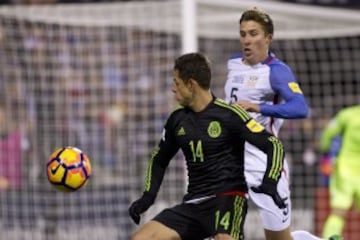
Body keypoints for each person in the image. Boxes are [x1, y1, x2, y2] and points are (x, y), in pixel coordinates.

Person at [128, 52, 287, 240]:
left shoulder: (230, 114)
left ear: (191, 85)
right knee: (141, 238)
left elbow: (273, 145)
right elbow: (159, 160)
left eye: (176, 83)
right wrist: (148, 197)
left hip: (228, 198)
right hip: (194, 204)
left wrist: (270, 180)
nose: (173, 89)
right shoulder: (176, 120)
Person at [224, 7, 341, 240]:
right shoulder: (233, 63)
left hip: (265, 164)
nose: (247, 40)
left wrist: (259, 107)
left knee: (279, 238)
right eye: (243, 33)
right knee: (217, 229)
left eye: (254, 33)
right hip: (229, 161)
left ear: (268, 38)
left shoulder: (277, 72)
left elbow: (300, 108)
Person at [319, 105, 360, 239]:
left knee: (338, 212)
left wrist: (324, 150)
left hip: (345, 171)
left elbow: (328, 133)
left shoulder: (348, 114)